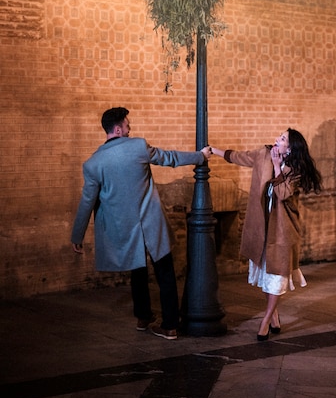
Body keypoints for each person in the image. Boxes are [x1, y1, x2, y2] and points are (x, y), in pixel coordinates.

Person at [71, 106, 211, 341]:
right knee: (165, 272)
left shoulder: (93, 164)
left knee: (137, 269)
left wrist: (77, 236)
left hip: (124, 229)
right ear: (117, 129)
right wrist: (200, 156)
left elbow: (88, 201)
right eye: (127, 124)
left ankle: (143, 317)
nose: (130, 128)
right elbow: (170, 158)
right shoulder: (138, 147)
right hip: (150, 222)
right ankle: (169, 326)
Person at [210, 129, 322, 341]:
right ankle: (274, 317)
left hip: (282, 233)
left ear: (290, 148)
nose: (276, 140)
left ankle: (265, 320)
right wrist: (214, 151)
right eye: (279, 136)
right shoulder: (263, 154)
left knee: (276, 278)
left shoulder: (295, 170)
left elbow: (282, 194)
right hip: (262, 229)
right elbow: (239, 157)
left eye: (282, 139)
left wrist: (278, 166)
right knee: (265, 277)